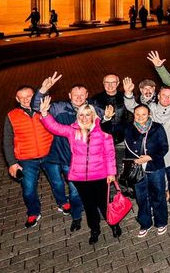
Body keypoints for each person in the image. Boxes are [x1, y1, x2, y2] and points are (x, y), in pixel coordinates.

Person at [39, 97, 120, 244]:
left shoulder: (102, 130)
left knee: (103, 203)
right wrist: (44, 114)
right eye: (81, 115)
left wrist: (111, 173)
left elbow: (110, 153)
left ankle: (114, 224)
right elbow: (54, 127)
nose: (84, 118)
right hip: (79, 177)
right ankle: (94, 230)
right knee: (89, 206)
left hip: (100, 175)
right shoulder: (72, 130)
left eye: (87, 114)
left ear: (93, 115)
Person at [126, 83, 170, 216]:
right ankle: (156, 203)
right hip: (154, 156)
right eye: (164, 95)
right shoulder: (151, 108)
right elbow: (133, 108)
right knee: (156, 184)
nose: (166, 98)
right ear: (158, 96)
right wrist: (129, 94)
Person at [3, 85, 57, 229]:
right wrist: (12, 163)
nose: (27, 100)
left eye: (30, 96)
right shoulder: (11, 116)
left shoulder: (44, 109)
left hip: (49, 154)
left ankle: (63, 203)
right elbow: (7, 142)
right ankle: (33, 212)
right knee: (28, 189)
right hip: (26, 159)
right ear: (17, 99)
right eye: (23, 97)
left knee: (57, 182)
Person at [123, 103, 170, 237]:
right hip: (136, 169)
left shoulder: (157, 128)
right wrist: (107, 118)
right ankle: (145, 223)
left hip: (155, 167)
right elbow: (109, 130)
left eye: (144, 114)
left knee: (158, 195)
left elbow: (164, 147)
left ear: (149, 115)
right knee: (141, 197)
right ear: (134, 115)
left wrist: (150, 157)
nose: (140, 117)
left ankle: (161, 222)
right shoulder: (128, 129)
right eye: (137, 114)